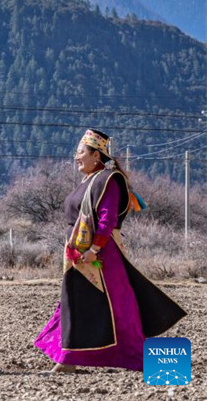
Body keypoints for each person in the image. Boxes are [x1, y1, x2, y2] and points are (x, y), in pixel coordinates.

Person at [35, 129, 186, 372]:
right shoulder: (88, 181)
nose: (76, 157)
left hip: (101, 256)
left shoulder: (108, 180)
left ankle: (163, 365)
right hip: (78, 255)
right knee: (74, 303)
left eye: (80, 152)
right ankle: (68, 361)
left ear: (96, 156)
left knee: (119, 307)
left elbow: (107, 219)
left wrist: (94, 249)